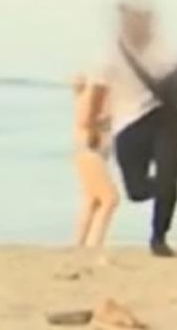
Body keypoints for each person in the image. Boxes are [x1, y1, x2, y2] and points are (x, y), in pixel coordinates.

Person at [82, 0, 177, 257]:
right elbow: (97, 93)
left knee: (168, 178)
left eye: (137, 17)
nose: (131, 23)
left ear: (149, 20)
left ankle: (159, 238)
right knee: (136, 191)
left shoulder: (170, 49)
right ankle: (164, 190)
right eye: (127, 18)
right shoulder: (110, 54)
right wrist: (92, 129)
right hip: (127, 125)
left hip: (167, 118)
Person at [71, 73, 119, 248]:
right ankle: (94, 244)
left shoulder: (104, 95)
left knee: (92, 200)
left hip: (90, 152)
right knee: (110, 199)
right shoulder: (92, 95)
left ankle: (79, 244)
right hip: (89, 151)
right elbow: (84, 121)